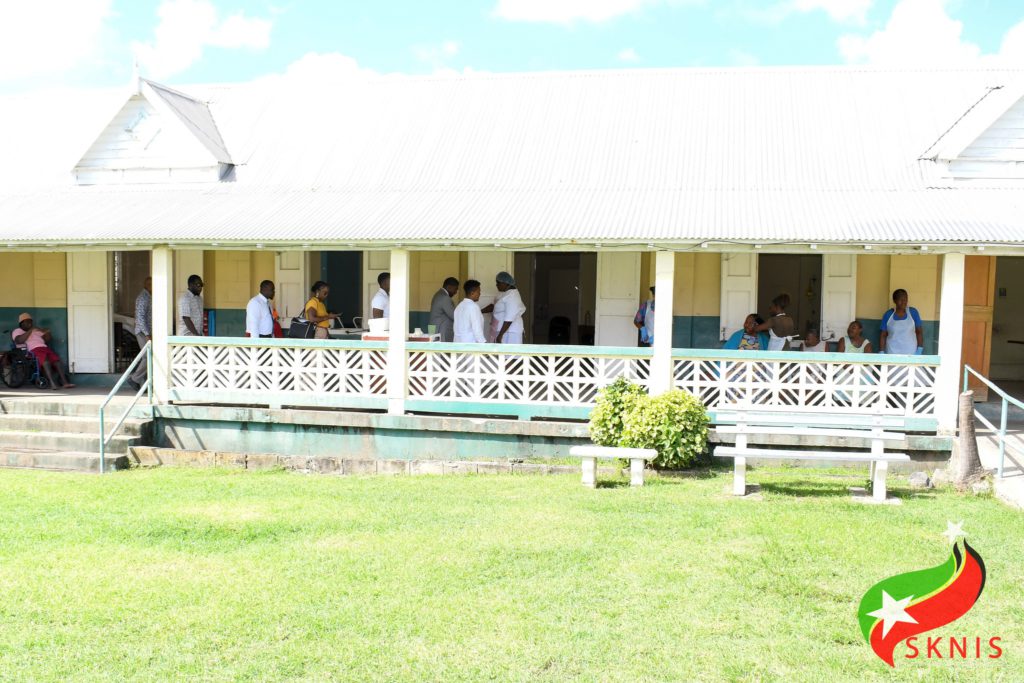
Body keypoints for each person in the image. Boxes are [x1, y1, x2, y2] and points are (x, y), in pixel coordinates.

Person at [11, 312, 74, 390]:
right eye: (27, 322)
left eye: (31, 321)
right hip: (32, 350)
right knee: (45, 361)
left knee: (56, 361)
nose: (30, 323)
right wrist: (30, 331)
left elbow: (47, 339)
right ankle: (52, 383)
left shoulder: (36, 331)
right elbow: (19, 341)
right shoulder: (17, 331)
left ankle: (65, 383)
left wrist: (47, 333)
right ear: (22, 323)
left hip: (44, 348)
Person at [879, 288, 923, 355]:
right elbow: (883, 335)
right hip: (892, 352)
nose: (903, 302)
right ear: (894, 300)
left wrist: (919, 349)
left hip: (911, 353)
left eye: (905, 299)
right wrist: (881, 351)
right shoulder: (888, 314)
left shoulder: (913, 313)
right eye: (900, 299)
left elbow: (919, 332)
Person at [127, 276, 152, 391]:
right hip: (143, 332)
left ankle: (146, 384)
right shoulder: (143, 298)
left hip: (147, 331)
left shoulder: (148, 296)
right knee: (147, 356)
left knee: (149, 357)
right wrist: (147, 334)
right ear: (148, 285)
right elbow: (140, 318)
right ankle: (134, 379)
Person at [489, 271, 526, 344]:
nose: (496, 285)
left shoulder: (512, 295)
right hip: (504, 330)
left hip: (511, 332)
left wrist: (500, 335)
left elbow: (509, 318)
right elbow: (494, 307)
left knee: (511, 351)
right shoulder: (505, 293)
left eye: (498, 283)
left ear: (505, 283)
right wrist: (480, 311)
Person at [429, 277, 459, 342]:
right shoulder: (445, 298)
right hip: (440, 331)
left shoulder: (438, 294)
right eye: (455, 289)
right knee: (442, 348)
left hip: (435, 329)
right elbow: (454, 316)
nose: (456, 292)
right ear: (449, 287)